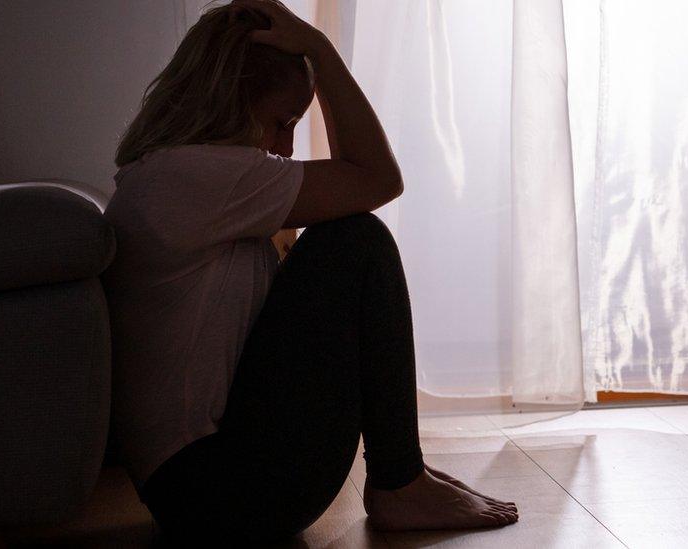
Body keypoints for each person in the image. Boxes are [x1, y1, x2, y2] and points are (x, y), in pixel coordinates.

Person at [101, 0, 518, 544]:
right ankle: (400, 482)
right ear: (230, 98)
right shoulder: (194, 176)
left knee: (340, 237)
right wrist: (320, 51)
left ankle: (403, 477)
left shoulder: (164, 176)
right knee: (354, 240)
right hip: (219, 492)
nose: (284, 146)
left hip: (197, 492)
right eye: (282, 121)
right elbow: (376, 178)